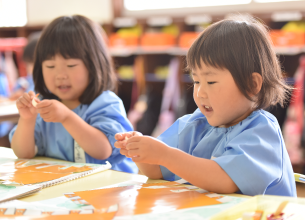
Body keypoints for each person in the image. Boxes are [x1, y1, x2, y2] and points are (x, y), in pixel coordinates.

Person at [114, 15, 297, 196]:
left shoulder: (261, 132)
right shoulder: (195, 124)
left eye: (210, 82)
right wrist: (141, 150)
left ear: (251, 85)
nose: (200, 92)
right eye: (196, 81)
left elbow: (223, 180)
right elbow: (157, 169)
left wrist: (166, 155)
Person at [9, 15, 137, 173]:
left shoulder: (105, 103)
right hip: (65, 190)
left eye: (70, 65)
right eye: (50, 66)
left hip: (108, 189)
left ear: (94, 64)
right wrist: (27, 120)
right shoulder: (43, 105)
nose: (60, 74)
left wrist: (67, 117)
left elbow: (103, 150)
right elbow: (23, 154)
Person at [9, 34, 39, 100]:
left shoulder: (48, 84)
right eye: (28, 64)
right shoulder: (24, 81)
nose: (28, 68)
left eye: (32, 64)